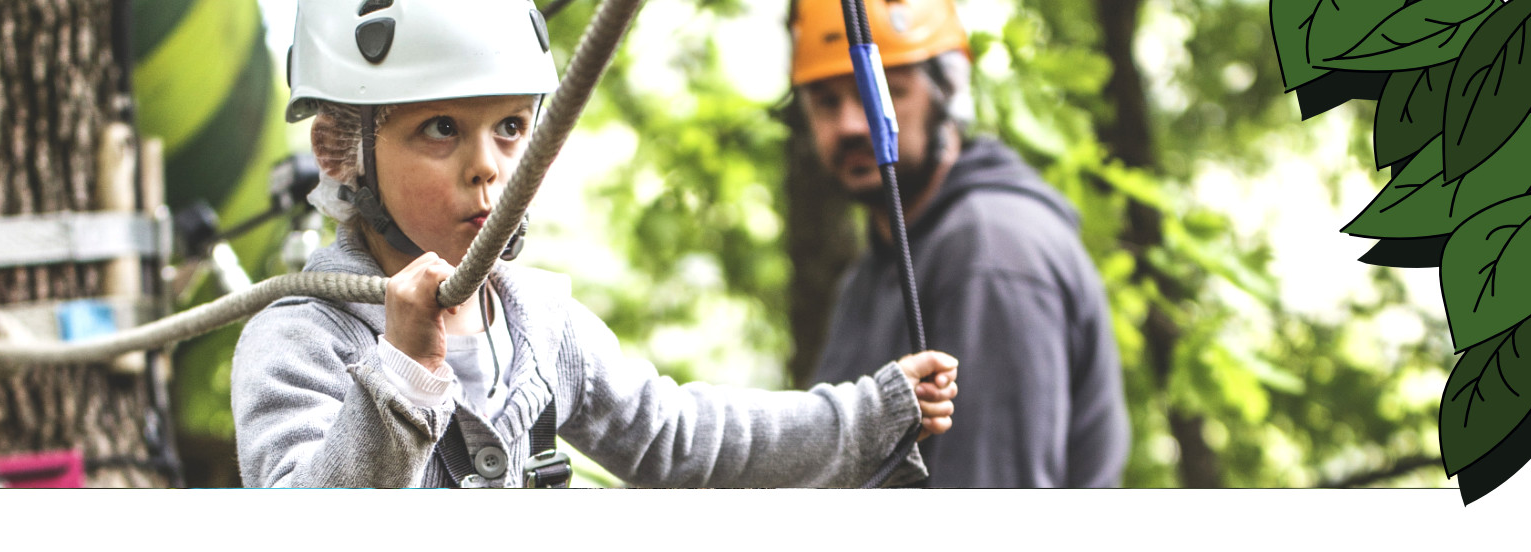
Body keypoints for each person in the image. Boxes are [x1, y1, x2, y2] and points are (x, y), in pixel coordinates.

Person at [231, 0, 958, 488]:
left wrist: (871, 411)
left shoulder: (538, 323)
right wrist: (400, 377)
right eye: (442, 127)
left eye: (512, 127)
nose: (489, 164)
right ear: (338, 149)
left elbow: (683, 437)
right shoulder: (297, 336)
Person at [788, 0, 1130, 487]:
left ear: (946, 96)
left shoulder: (991, 251)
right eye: (826, 101)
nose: (849, 124)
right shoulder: (872, 272)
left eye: (882, 92)